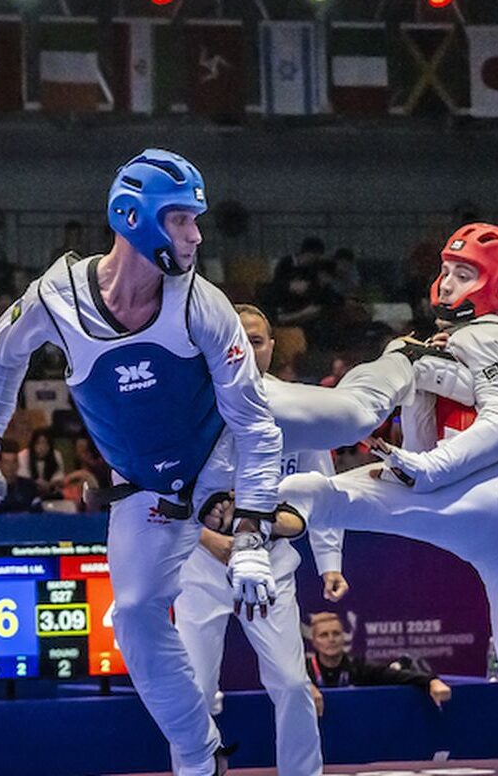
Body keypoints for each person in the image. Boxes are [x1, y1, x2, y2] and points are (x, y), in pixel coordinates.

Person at [0, 149, 284, 775]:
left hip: (219, 453)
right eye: (182, 219)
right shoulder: (56, 296)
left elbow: (256, 426)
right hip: (145, 486)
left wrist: (250, 536)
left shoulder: (204, 304)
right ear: (134, 218)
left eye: (195, 220)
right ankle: (200, 755)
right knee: (133, 616)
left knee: (339, 417)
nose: (196, 235)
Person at [271, 223, 498, 776]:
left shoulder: (483, 334)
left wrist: (426, 459)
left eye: (464, 274)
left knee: (334, 494)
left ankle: (273, 506)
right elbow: (452, 417)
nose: (449, 285)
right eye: (447, 272)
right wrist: (419, 390)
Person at [173, 304, 348, 776]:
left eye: (257, 340)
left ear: (272, 347)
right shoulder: (192, 406)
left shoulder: (295, 407)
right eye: (240, 340)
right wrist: (210, 540)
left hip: (271, 566)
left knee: (292, 683)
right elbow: (168, 491)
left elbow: (320, 488)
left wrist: (330, 561)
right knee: (195, 690)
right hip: (202, 565)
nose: (249, 350)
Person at [305, 612, 451, 714]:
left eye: (336, 634)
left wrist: (432, 681)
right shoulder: (302, 672)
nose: (331, 639)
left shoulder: (359, 666)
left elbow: (399, 676)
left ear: (344, 638)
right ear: (314, 642)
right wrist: (305, 686)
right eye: (324, 635)